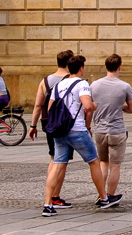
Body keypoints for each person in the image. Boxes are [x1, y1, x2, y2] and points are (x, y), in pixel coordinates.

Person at [42, 54, 111, 216]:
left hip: (60, 131)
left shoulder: (58, 85)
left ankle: (47, 204)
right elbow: (87, 105)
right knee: (94, 162)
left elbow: (50, 107)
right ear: (81, 68)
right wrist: (94, 105)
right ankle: (103, 197)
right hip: (77, 129)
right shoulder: (82, 84)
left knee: (57, 165)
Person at [30, 49, 75, 208]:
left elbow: (37, 105)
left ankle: (50, 195)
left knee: (53, 156)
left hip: (48, 122)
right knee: (62, 160)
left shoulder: (45, 81)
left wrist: (33, 125)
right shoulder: (71, 80)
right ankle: (55, 196)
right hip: (65, 123)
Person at [90, 53, 132, 207]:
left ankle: (101, 196)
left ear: (106, 67)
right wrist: (120, 106)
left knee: (103, 163)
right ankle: (110, 196)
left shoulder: (94, 85)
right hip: (117, 131)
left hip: (100, 130)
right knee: (115, 165)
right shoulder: (124, 86)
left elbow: (90, 107)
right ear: (119, 67)